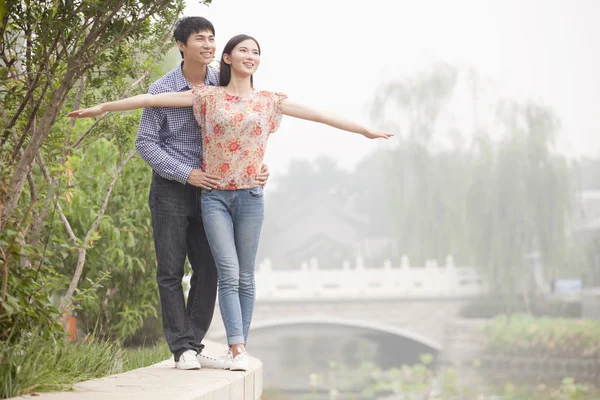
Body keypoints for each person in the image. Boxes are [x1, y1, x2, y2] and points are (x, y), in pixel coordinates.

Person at [69, 34, 394, 371]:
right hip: (214, 198)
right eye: (243, 50)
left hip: (251, 196)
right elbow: (152, 101)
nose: (250, 56)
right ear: (227, 58)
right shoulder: (207, 96)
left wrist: (364, 130)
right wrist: (103, 108)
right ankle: (234, 348)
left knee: (246, 277)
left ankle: (239, 350)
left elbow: (320, 116)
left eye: (256, 52)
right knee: (228, 272)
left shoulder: (269, 101)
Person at [130, 17, 270, 371]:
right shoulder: (162, 88)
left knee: (210, 270)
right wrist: (186, 173)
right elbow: (145, 142)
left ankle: (192, 343)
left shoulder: (219, 83)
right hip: (172, 189)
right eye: (199, 39)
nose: (208, 45)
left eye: (212, 39)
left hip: (216, 191)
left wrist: (256, 167)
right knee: (171, 270)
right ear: (181, 45)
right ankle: (182, 349)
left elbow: (247, 121)